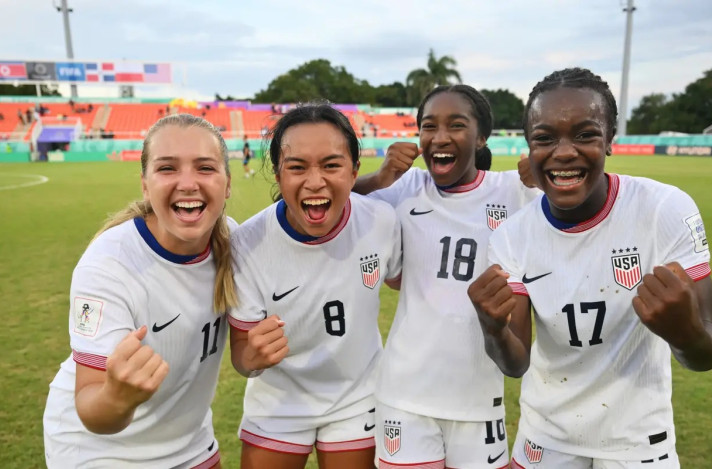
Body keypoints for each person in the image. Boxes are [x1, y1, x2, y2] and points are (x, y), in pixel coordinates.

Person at [468, 67, 712, 468]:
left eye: (585, 134)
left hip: (638, 442)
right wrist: (492, 328)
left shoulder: (664, 210)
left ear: (610, 140)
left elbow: (707, 351)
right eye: (545, 138)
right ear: (529, 146)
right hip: (545, 439)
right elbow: (515, 364)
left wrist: (686, 333)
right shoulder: (511, 235)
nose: (564, 151)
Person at [353, 84, 539, 469]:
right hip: (405, 396)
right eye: (428, 126)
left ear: (481, 136)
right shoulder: (406, 189)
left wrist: (545, 177)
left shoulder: (514, 193)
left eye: (456, 125)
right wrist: (381, 175)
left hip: (478, 401)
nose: (439, 137)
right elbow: (328, 204)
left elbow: (579, 210)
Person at [43, 113, 237, 469]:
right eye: (167, 169)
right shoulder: (108, 264)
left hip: (188, 440)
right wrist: (118, 398)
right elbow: (92, 410)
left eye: (205, 168)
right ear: (145, 185)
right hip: (101, 450)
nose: (188, 183)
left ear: (227, 184)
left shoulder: (236, 245)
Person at [228, 103, 402, 469]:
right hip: (278, 400)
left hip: (358, 396)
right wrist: (253, 357)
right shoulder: (247, 243)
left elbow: (407, 283)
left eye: (331, 164)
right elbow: (242, 358)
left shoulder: (382, 222)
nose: (315, 180)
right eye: (297, 167)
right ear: (277, 173)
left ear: (355, 171)